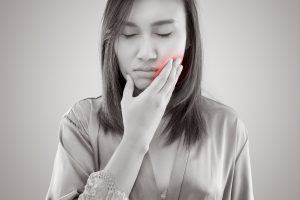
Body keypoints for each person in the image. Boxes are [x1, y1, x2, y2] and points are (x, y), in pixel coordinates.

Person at [46, 0, 254, 199]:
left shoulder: (227, 127)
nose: (146, 54)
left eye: (164, 33)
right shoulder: (81, 123)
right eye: (128, 34)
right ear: (112, 40)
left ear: (189, 37)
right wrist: (134, 141)